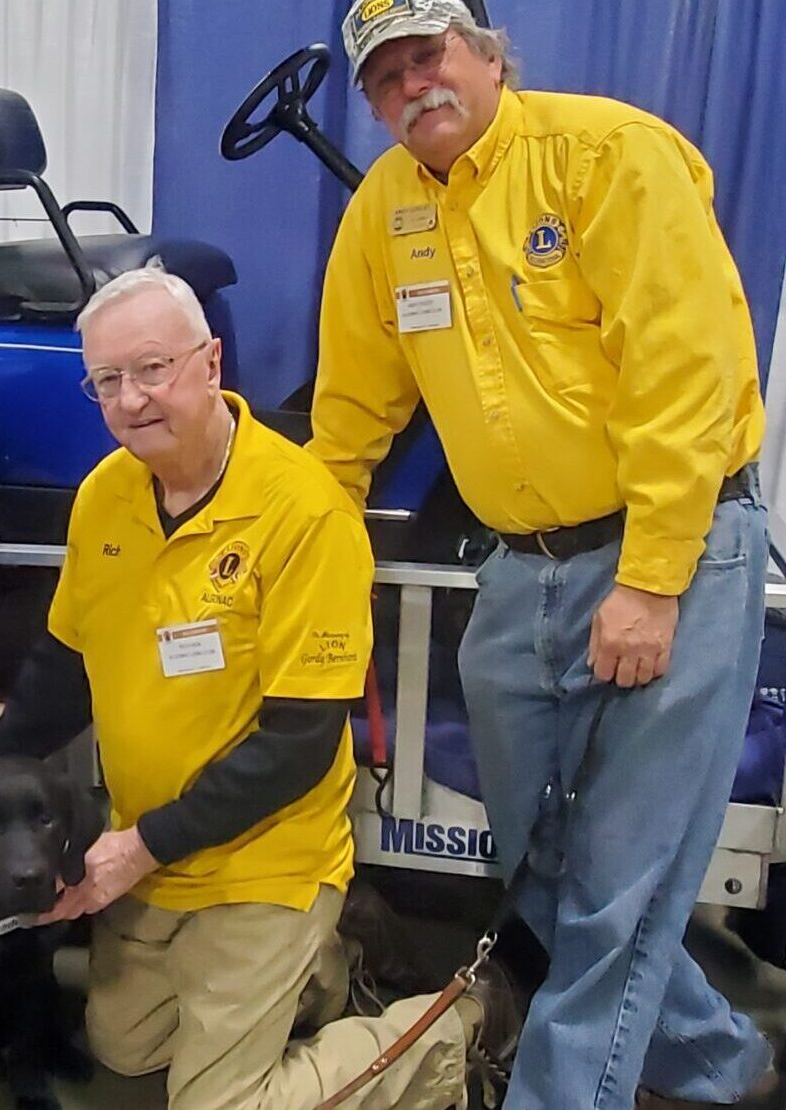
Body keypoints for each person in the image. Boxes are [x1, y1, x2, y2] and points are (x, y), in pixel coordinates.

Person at [309, 2, 777, 1107]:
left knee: (621, 884)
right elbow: (346, 421)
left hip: (675, 545)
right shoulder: (383, 215)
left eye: (432, 54)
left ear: (487, 55)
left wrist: (653, 581)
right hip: (519, 570)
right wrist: (304, 576)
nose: (414, 85)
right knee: (541, 861)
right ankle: (719, 1066)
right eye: (387, 76)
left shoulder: (609, 156)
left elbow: (685, 375)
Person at [0, 262, 518, 1109]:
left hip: (265, 859)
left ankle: (453, 1027)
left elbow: (297, 746)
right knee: (123, 1051)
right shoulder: (103, 497)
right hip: (158, 860)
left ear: (212, 362)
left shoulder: (307, 512)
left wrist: (136, 846)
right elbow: (61, 673)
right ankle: (324, 974)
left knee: (216, 1106)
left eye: (153, 369)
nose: (132, 400)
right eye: (107, 381)